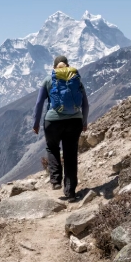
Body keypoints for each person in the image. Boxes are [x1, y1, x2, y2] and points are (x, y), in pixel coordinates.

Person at [32, 55, 89, 202]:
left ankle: (56, 180)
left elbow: (39, 104)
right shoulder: (76, 79)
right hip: (75, 121)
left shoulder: (48, 79)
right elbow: (85, 104)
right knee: (70, 155)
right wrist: (84, 121)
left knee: (52, 148)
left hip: (53, 121)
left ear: (54, 67)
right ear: (68, 66)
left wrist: (36, 123)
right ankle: (70, 191)